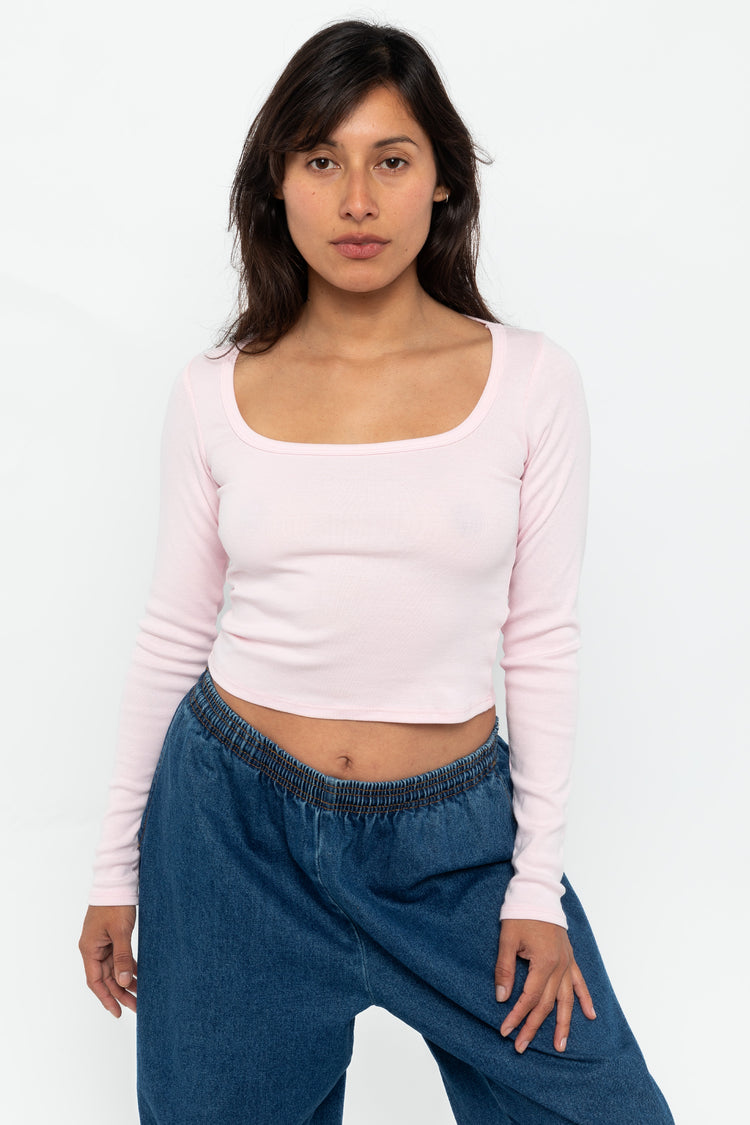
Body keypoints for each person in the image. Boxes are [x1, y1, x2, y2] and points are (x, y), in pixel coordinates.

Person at [79, 19, 674, 1125]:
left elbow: (541, 637)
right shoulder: (214, 390)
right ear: (278, 183)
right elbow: (172, 631)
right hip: (232, 834)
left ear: (441, 178)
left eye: (390, 160)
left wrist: (534, 883)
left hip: (456, 846)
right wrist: (114, 868)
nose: (357, 200)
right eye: (322, 159)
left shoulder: (530, 382)